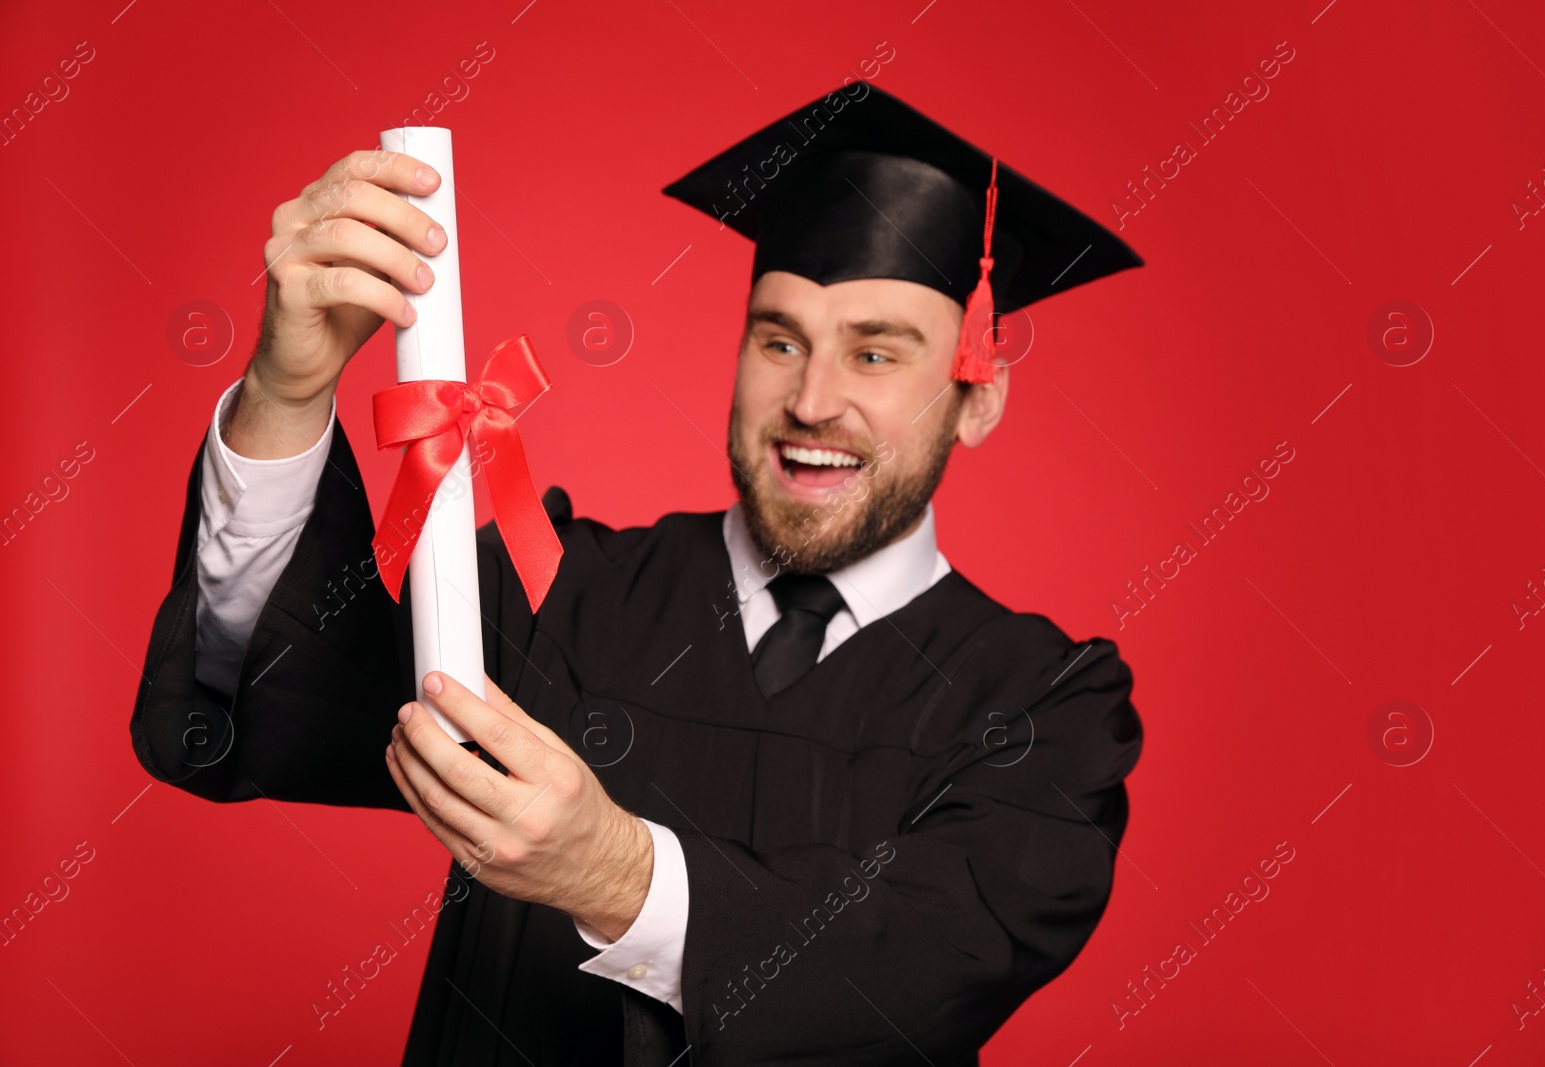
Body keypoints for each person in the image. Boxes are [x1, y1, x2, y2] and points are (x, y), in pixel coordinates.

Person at [129, 85, 1145, 1066]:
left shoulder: (1042, 704)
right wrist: (286, 390)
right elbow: (265, 694)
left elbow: (926, 958)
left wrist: (615, 871)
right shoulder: (556, 589)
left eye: (875, 355)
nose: (812, 398)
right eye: (778, 338)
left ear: (977, 396)